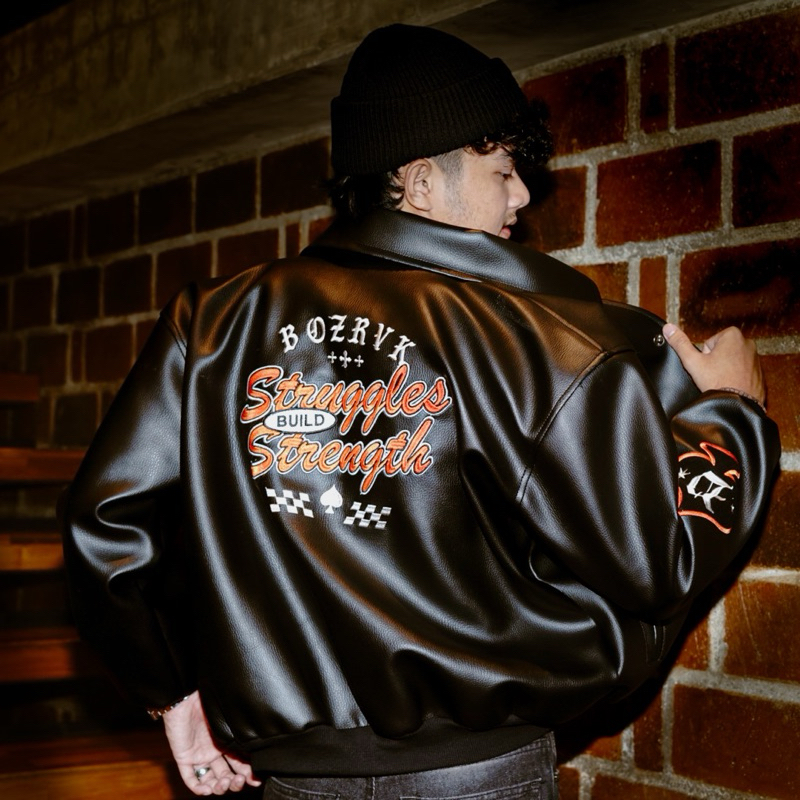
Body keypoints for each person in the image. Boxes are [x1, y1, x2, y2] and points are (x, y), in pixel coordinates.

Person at [61, 23, 779, 799]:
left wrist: (171, 691)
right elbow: (655, 558)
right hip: (475, 776)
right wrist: (730, 412)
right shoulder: (530, 335)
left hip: (297, 781)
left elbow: (102, 526)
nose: (522, 195)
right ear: (422, 181)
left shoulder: (211, 325)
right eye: (502, 169)